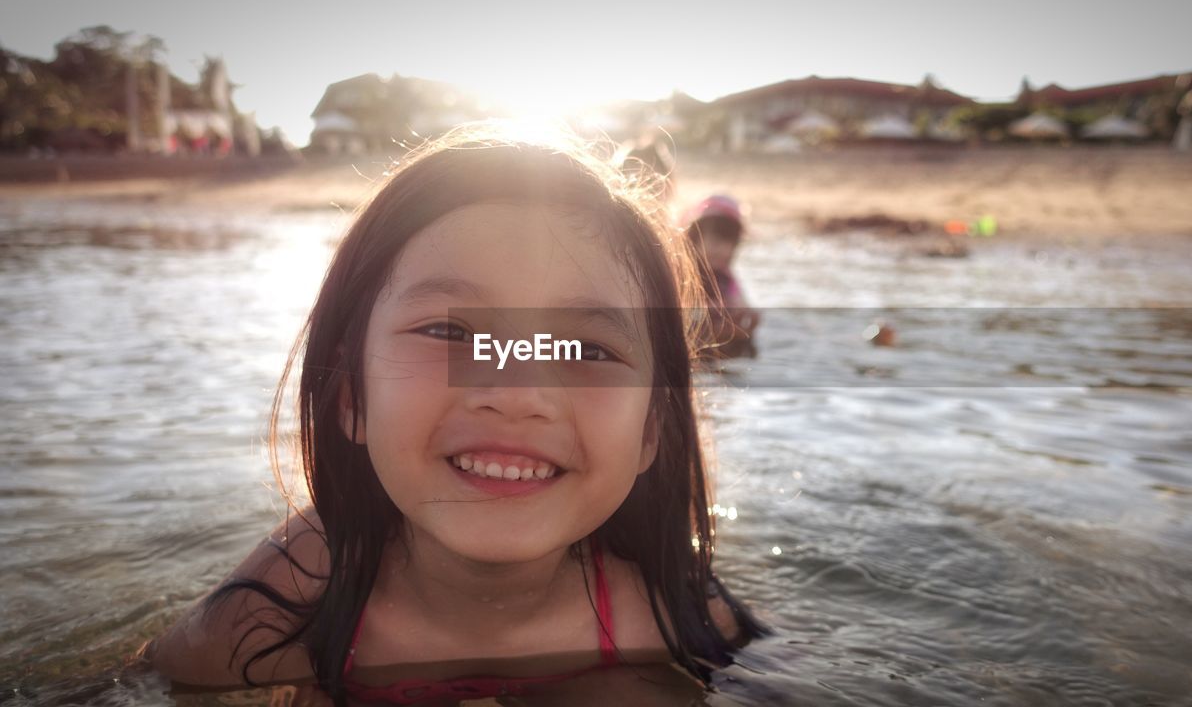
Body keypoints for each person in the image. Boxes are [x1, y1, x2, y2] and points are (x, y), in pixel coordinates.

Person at [140, 124, 764, 705]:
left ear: (650, 431)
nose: (518, 392)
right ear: (351, 397)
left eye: (587, 349)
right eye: (448, 331)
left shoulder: (665, 614)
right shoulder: (282, 608)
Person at [683, 195, 760, 359]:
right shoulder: (685, 275)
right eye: (711, 241)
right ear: (694, 239)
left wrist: (748, 318)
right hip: (694, 343)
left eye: (726, 243)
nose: (717, 249)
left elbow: (741, 303)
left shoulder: (727, 278)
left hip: (725, 342)